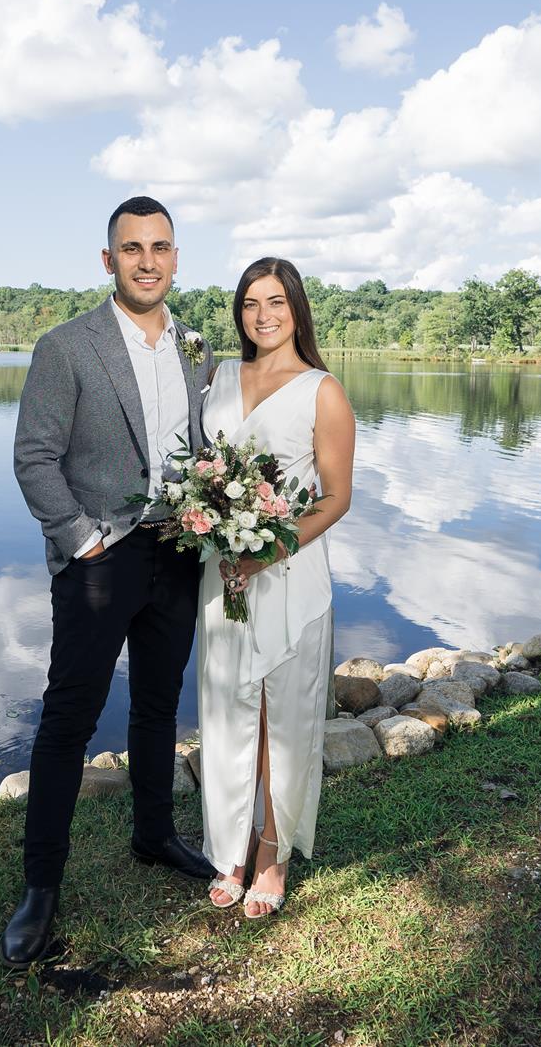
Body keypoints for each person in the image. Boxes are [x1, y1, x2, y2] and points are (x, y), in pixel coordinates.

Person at [4, 196, 218, 968]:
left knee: (159, 704)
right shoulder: (67, 346)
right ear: (109, 260)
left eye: (160, 246)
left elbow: (207, 445)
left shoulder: (198, 348)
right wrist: (83, 540)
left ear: (175, 257)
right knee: (69, 719)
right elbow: (34, 457)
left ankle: (154, 833)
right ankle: (41, 887)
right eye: (132, 248)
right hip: (100, 557)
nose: (147, 260)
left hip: (177, 550)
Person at [194, 256, 355, 918]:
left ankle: (271, 849)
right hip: (221, 571)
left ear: (297, 310)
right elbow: (204, 467)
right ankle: (229, 842)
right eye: (250, 303)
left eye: (276, 302)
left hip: (287, 569)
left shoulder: (323, 390)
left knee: (280, 711)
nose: (262, 316)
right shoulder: (219, 378)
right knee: (227, 702)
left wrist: (265, 553)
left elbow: (336, 497)